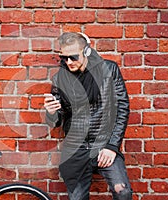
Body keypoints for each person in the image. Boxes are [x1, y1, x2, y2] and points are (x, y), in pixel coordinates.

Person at [44, 32, 132, 200]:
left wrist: (112, 146)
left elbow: (122, 109)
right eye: (64, 58)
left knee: (123, 192)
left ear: (86, 52)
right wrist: (52, 112)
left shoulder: (109, 70)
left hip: (105, 145)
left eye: (73, 57)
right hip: (76, 149)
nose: (68, 62)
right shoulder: (60, 79)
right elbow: (56, 122)